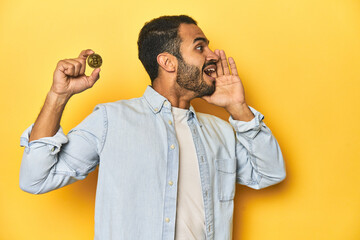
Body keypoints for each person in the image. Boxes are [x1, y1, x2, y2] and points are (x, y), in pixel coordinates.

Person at [19, 15, 286, 240]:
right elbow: (36, 178)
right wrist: (58, 96)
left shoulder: (222, 131)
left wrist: (239, 108)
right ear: (168, 62)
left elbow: (270, 174)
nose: (214, 55)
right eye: (200, 47)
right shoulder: (111, 120)